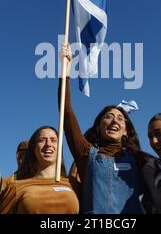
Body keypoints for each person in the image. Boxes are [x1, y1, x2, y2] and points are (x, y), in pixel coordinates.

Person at [59, 43, 146, 214]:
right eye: (108, 117)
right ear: (99, 127)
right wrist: (65, 71)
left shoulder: (139, 159)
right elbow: (66, 110)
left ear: (126, 130)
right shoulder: (85, 153)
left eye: (120, 119)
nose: (114, 121)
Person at [0, 126, 79, 214]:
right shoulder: (16, 187)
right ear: (34, 149)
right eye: (42, 140)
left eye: (53, 140)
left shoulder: (72, 185)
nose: (48, 144)